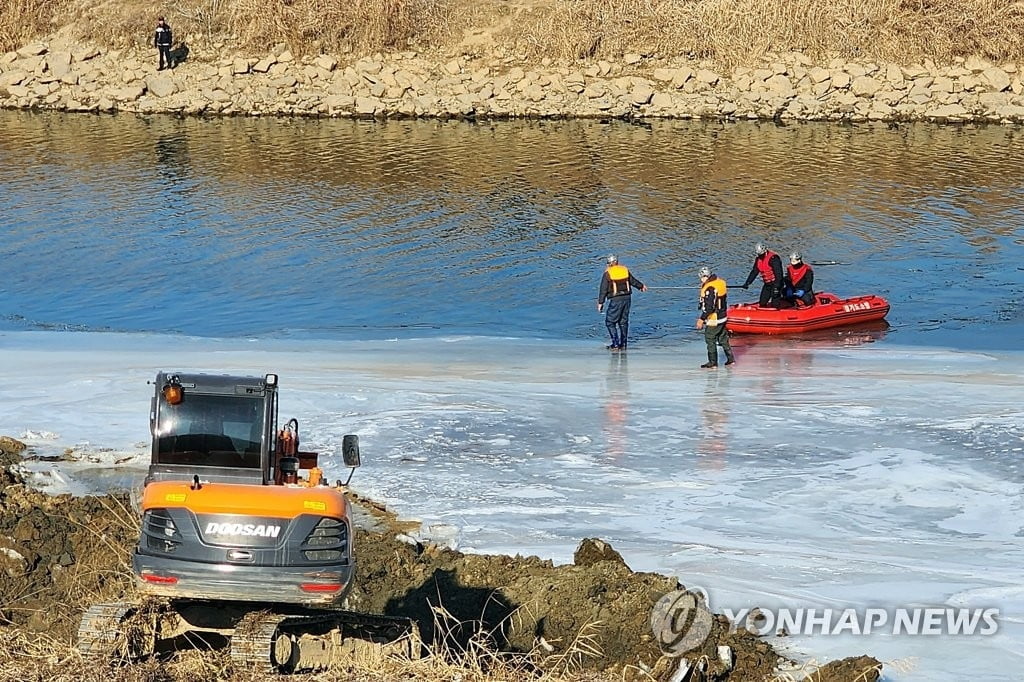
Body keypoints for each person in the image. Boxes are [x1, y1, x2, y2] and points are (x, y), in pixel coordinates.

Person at [597, 254, 647, 351]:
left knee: (610, 322)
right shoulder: (624, 270)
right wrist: (641, 286)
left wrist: (600, 303)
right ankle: (623, 344)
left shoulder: (607, 274)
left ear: (609, 264)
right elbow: (633, 281)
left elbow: (603, 289)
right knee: (623, 322)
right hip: (627, 298)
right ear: (617, 262)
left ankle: (615, 344)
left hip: (616, 300)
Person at [696, 266, 735, 368]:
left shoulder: (710, 288)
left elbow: (709, 307)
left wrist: (701, 319)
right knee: (722, 338)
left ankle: (713, 362)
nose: (701, 279)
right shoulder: (719, 282)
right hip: (723, 316)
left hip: (715, 318)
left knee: (710, 338)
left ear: (706, 276)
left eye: (701, 277)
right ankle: (730, 359)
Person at [741, 242, 784, 308]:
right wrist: (747, 283)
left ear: (765, 250)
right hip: (767, 285)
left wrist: (777, 287)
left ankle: (777, 310)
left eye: (761, 254)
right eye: (759, 254)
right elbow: (754, 272)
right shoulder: (758, 259)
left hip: (776, 283)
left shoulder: (773, 258)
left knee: (775, 303)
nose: (760, 255)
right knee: (762, 302)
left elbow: (779, 274)